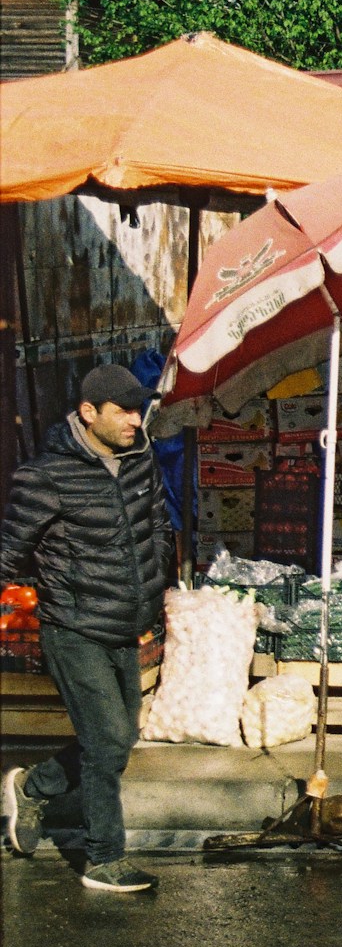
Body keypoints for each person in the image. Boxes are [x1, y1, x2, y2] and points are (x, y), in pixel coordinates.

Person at [1, 365, 173, 891]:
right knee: (107, 741)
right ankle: (103, 858)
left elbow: (158, 525)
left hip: (125, 628)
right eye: (121, 409)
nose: (133, 418)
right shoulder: (46, 477)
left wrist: (157, 579)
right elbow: (8, 552)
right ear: (88, 413)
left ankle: (31, 788)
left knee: (119, 743)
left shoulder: (141, 458)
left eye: (137, 407)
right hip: (73, 630)